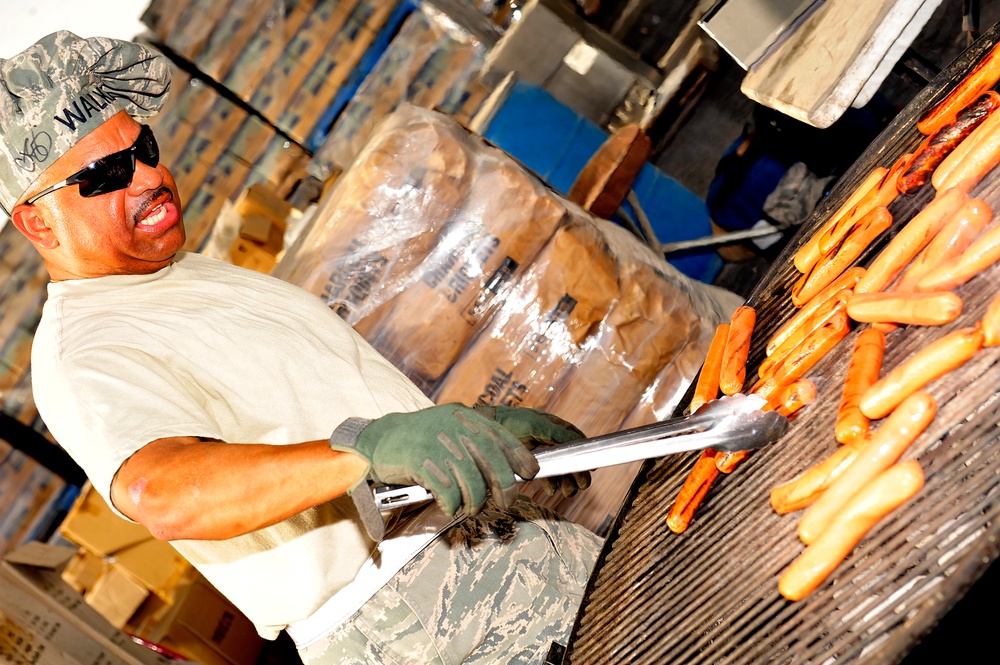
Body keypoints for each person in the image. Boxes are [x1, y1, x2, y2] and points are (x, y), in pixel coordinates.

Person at [1, 32, 601, 664]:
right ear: (38, 221)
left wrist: (452, 434)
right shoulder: (80, 352)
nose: (151, 177)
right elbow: (165, 492)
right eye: (105, 175)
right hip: (416, 619)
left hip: (482, 553)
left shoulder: (178, 275)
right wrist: (366, 452)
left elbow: (303, 407)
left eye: (144, 147)